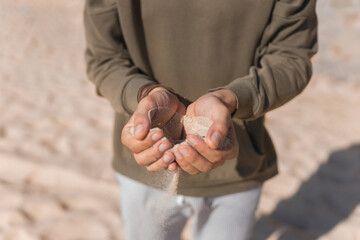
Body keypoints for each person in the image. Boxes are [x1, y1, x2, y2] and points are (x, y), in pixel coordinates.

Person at [84, 0, 318, 239]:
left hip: (237, 167)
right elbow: (104, 57)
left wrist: (230, 99)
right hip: (147, 159)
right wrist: (144, 94)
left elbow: (292, 57)